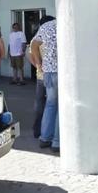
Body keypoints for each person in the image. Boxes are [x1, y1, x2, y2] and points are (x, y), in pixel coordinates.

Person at [31, 16, 59, 152]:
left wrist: (39, 64)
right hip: (63, 72)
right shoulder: (68, 24)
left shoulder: (46, 26)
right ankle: (57, 142)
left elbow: (33, 45)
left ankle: (45, 138)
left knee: (50, 105)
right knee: (62, 107)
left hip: (48, 72)